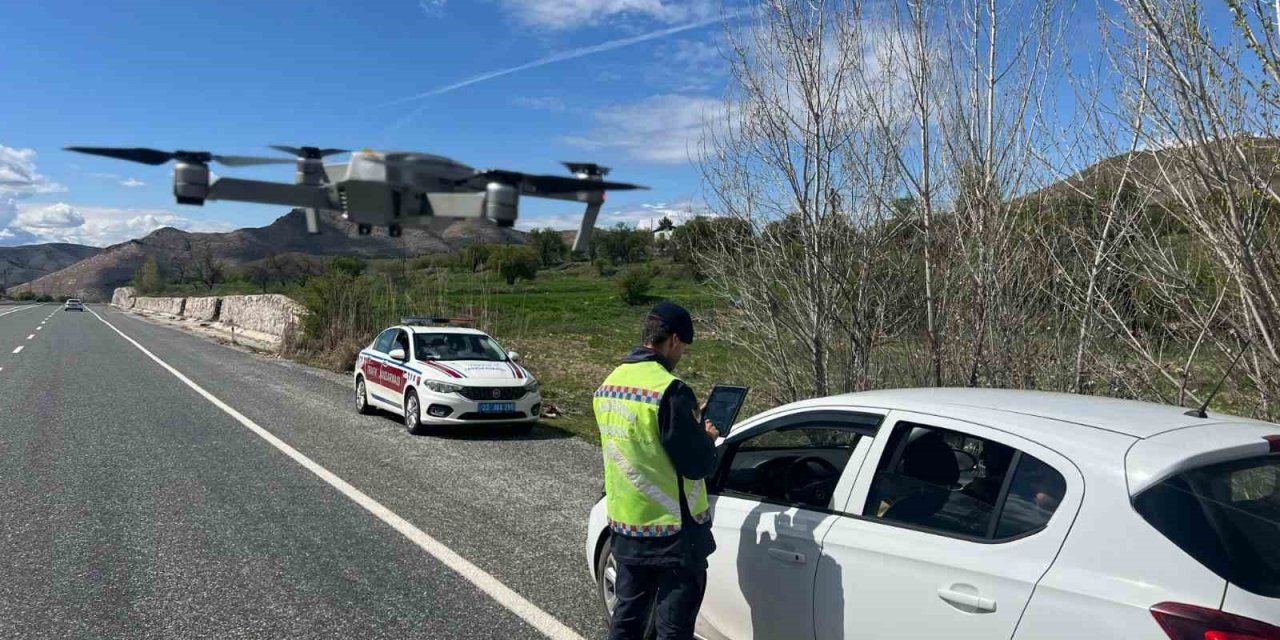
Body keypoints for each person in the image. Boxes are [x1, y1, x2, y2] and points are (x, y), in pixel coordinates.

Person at [594, 301, 719, 640]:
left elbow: (639, 444)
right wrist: (706, 437)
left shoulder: (611, 383)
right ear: (674, 340)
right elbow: (697, 464)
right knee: (673, 629)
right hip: (672, 536)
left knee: (628, 619)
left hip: (626, 527)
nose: (682, 356)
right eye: (684, 349)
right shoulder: (670, 390)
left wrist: (686, 424)